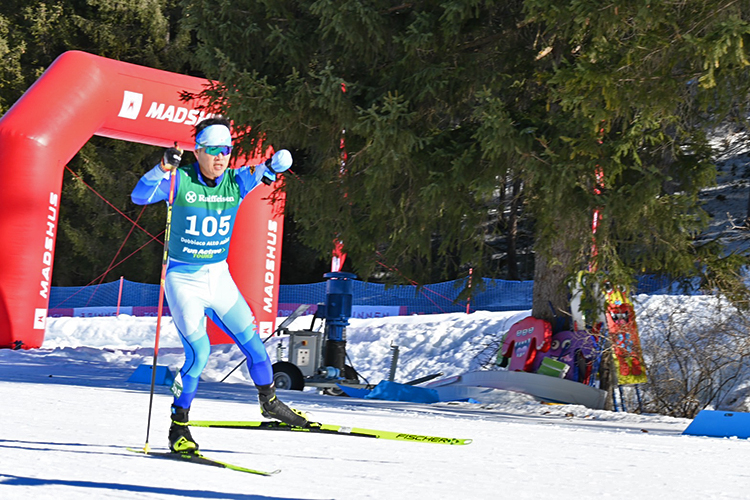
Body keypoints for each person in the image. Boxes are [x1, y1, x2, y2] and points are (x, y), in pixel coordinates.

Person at [131, 116, 308, 454]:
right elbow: (139, 196)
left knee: (256, 347)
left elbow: (265, 170)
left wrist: (276, 164)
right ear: (197, 151)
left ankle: (269, 402)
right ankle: (178, 426)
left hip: (218, 277)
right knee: (200, 354)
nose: (220, 157)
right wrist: (162, 168)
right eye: (213, 150)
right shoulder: (179, 181)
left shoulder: (236, 181)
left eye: (226, 150)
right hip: (184, 280)